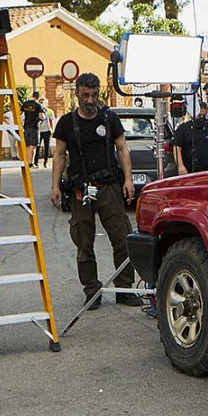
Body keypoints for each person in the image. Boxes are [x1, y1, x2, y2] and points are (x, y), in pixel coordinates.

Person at [50, 73, 137, 308]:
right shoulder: (66, 123)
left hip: (108, 186)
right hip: (80, 191)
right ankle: (92, 290)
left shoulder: (109, 119)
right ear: (77, 95)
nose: (90, 100)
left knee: (122, 238)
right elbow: (59, 155)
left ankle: (124, 289)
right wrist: (55, 186)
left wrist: (128, 180)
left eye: (94, 95)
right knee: (83, 242)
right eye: (85, 95)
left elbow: (122, 149)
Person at [172, 103, 208, 175]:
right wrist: (180, 167)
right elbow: (177, 148)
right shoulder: (182, 129)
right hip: (190, 171)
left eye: (204, 115)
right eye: (199, 115)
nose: (202, 118)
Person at [20, 92, 43, 165]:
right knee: (33, 145)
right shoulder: (38, 105)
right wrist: (41, 119)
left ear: (32, 96)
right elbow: (41, 116)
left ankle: (28, 162)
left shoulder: (25, 103)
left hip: (26, 127)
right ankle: (30, 162)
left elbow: (19, 113)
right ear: (38, 97)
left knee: (27, 145)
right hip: (34, 127)